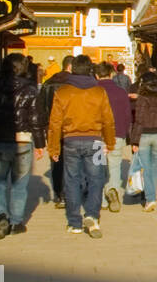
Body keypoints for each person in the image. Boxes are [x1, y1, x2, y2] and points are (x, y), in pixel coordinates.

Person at [47, 55, 115, 238]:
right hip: (97, 141)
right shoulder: (99, 92)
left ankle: (74, 222)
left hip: (70, 141)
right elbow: (108, 120)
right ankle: (92, 215)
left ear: (72, 69)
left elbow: (54, 123)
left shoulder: (62, 92)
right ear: (90, 70)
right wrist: (110, 142)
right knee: (97, 178)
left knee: (71, 181)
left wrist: (53, 148)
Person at [0, 54, 45, 239]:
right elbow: (36, 119)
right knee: (19, 185)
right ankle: (16, 222)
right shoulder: (31, 89)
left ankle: (0, 217)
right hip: (22, 141)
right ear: (24, 67)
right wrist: (40, 144)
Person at [129, 72, 157, 211]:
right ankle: (152, 194)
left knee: (146, 169)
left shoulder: (144, 98)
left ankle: (150, 198)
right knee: (154, 167)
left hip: (145, 135)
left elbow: (139, 120)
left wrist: (134, 141)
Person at [37, 55, 75, 209]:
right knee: (72, 160)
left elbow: (41, 108)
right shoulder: (76, 84)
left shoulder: (49, 83)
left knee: (56, 159)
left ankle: (59, 194)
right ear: (71, 67)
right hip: (73, 128)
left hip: (53, 128)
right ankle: (70, 192)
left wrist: (43, 128)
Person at [95, 62, 132, 215]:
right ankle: (113, 191)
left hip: (97, 136)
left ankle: (102, 201)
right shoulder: (121, 92)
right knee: (115, 167)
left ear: (96, 75)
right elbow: (127, 115)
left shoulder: (93, 92)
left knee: (98, 168)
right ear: (111, 74)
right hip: (117, 135)